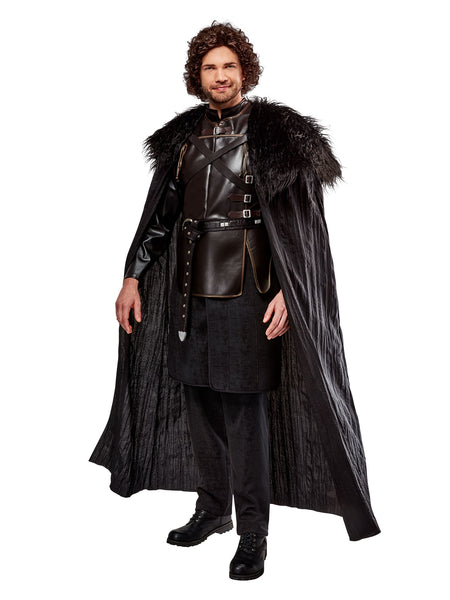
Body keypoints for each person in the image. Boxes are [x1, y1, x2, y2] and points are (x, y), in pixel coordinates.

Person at [89, 21, 381, 581]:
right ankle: (212, 510)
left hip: (249, 294)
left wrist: (290, 294)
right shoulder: (181, 139)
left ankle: (253, 533)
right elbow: (160, 219)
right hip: (186, 292)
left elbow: (304, 233)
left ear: (245, 71)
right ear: (197, 77)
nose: (220, 76)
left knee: (245, 413)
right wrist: (132, 277)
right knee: (198, 400)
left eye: (229, 66)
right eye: (210, 68)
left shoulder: (279, 136)